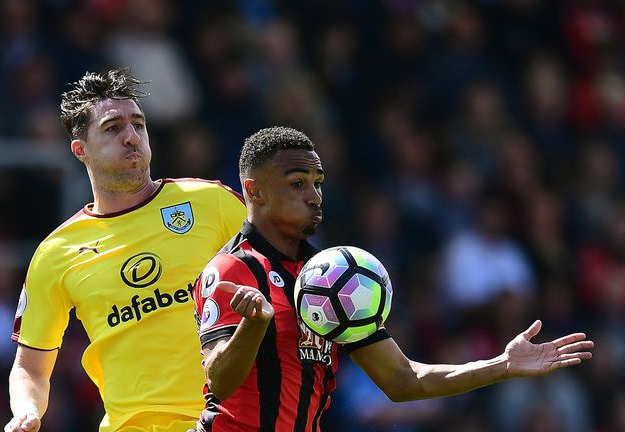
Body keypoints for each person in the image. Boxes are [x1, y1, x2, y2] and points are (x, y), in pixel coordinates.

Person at [191, 126, 594, 431]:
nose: (314, 196)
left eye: (318, 184)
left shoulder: (331, 277)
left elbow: (403, 380)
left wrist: (502, 365)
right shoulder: (232, 270)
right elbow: (219, 382)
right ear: (254, 191)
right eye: (297, 184)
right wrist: (253, 325)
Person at [4, 69, 246, 432]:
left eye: (139, 124)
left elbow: (287, 279)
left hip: (228, 419)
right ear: (80, 150)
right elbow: (30, 366)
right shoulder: (56, 252)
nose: (132, 137)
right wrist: (26, 411)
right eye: (113, 128)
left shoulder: (213, 203)